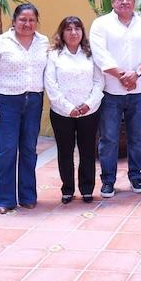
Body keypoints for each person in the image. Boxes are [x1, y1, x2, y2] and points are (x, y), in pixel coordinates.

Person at [89, 0, 141, 198]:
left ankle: (136, 177)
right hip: (110, 92)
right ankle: (108, 181)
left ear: (134, 1)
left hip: (138, 92)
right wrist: (122, 76)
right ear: (113, 2)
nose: (125, 2)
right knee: (109, 138)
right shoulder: (101, 24)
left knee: (136, 137)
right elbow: (100, 55)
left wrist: (136, 74)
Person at [0, 3, 49, 214]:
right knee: (7, 150)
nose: (27, 24)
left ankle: (28, 196)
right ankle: (5, 199)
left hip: (34, 101)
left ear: (36, 22)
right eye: (23, 19)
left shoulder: (43, 42)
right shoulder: (0, 43)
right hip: (7, 102)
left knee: (29, 149)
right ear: (14, 21)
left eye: (31, 20)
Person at [44, 16, 105, 204]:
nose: (73, 33)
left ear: (82, 32)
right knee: (65, 152)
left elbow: (99, 81)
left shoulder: (90, 54)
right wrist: (68, 108)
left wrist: (89, 104)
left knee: (88, 151)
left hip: (89, 112)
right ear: (62, 33)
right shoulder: (54, 55)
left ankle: (87, 189)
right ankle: (67, 189)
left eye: (77, 29)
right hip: (62, 113)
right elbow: (50, 84)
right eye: (68, 29)